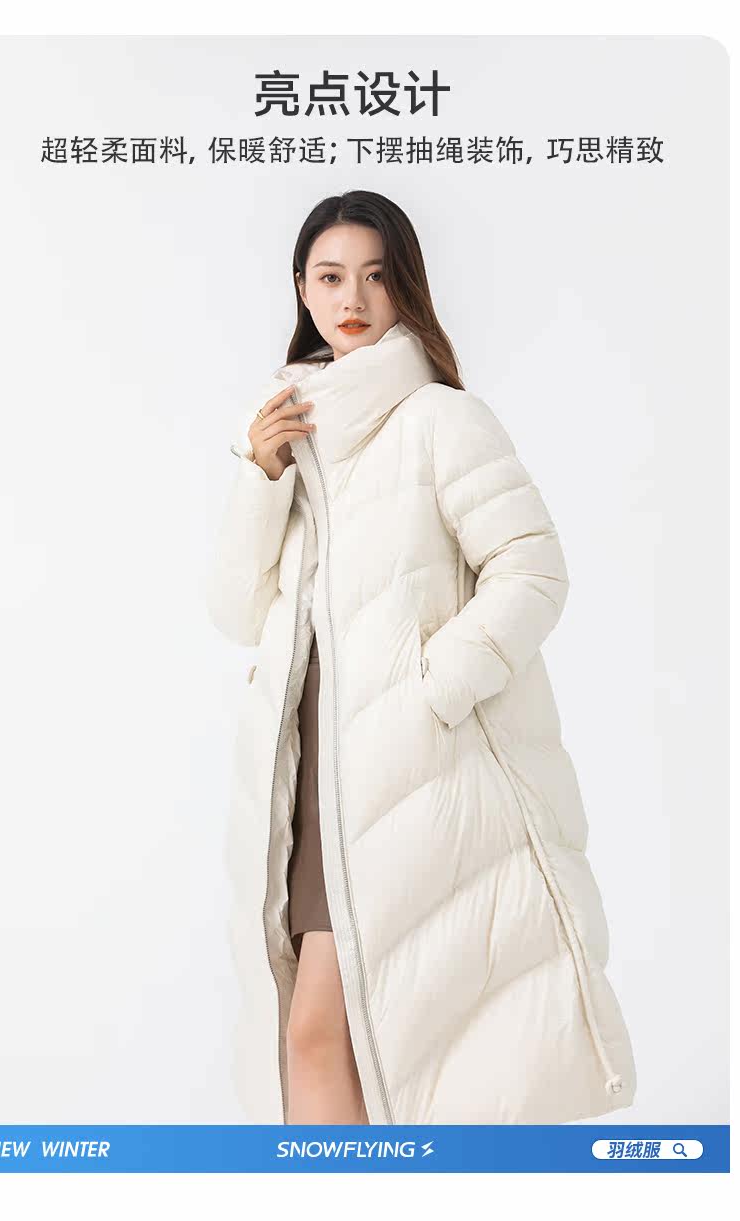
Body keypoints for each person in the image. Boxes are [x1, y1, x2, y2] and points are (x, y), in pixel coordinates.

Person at [206, 189, 636, 1126]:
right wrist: (259, 476)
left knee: (347, 1031)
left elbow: (533, 569)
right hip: (312, 773)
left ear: (405, 287)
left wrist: (433, 691)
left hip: (410, 769)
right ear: (301, 288)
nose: (353, 298)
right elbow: (237, 612)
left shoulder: (440, 419)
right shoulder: (288, 437)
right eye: (331, 277)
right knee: (329, 1034)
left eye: (375, 275)